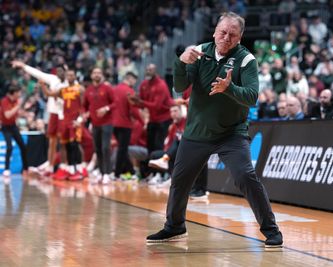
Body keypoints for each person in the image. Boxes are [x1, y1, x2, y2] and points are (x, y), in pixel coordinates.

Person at [146, 12, 283, 248]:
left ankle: (271, 230)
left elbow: (251, 98)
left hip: (232, 133)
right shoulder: (199, 52)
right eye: (223, 32)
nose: (226, 37)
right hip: (197, 132)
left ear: (240, 37)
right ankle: (174, 227)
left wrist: (229, 88)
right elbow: (179, 86)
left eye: (232, 34)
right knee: (180, 180)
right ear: (214, 32)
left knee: (245, 177)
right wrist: (181, 62)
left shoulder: (247, 60)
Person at [11, 60, 67, 175]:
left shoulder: (70, 83)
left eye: (63, 70)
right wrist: (24, 66)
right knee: (52, 142)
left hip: (64, 115)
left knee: (63, 143)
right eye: (59, 70)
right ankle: (50, 166)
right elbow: (38, 73)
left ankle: (63, 166)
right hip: (53, 114)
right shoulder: (53, 79)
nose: (60, 72)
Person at [40, 70, 87, 181]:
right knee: (66, 145)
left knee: (75, 145)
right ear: (66, 77)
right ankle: (71, 170)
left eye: (72, 75)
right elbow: (48, 94)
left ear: (75, 76)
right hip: (66, 121)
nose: (70, 76)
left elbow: (84, 106)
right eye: (68, 75)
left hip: (76, 122)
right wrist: (42, 84)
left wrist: (79, 120)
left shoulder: (80, 89)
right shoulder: (63, 90)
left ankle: (81, 169)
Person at [83, 67, 114, 184]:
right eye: (94, 73)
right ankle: (101, 173)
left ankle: (107, 173)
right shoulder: (89, 90)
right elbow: (84, 106)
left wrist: (106, 108)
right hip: (95, 123)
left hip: (107, 123)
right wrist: (85, 114)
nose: (96, 75)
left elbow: (115, 103)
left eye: (99, 73)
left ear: (102, 75)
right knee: (98, 149)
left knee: (106, 147)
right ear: (91, 75)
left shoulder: (107, 88)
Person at [112, 72, 142, 179]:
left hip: (114, 124)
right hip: (125, 124)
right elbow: (133, 110)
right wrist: (142, 121)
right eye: (134, 80)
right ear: (130, 79)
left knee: (122, 149)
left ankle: (131, 171)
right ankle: (117, 173)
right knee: (122, 149)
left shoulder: (114, 89)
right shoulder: (129, 91)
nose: (134, 83)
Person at [0, 85, 28, 177]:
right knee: (9, 147)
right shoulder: (4, 101)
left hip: (13, 126)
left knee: (22, 146)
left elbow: (17, 114)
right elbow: (7, 115)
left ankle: (25, 168)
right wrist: (18, 107)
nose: (19, 94)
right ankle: (7, 169)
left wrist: (23, 112)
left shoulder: (16, 101)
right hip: (5, 127)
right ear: (14, 93)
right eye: (18, 93)